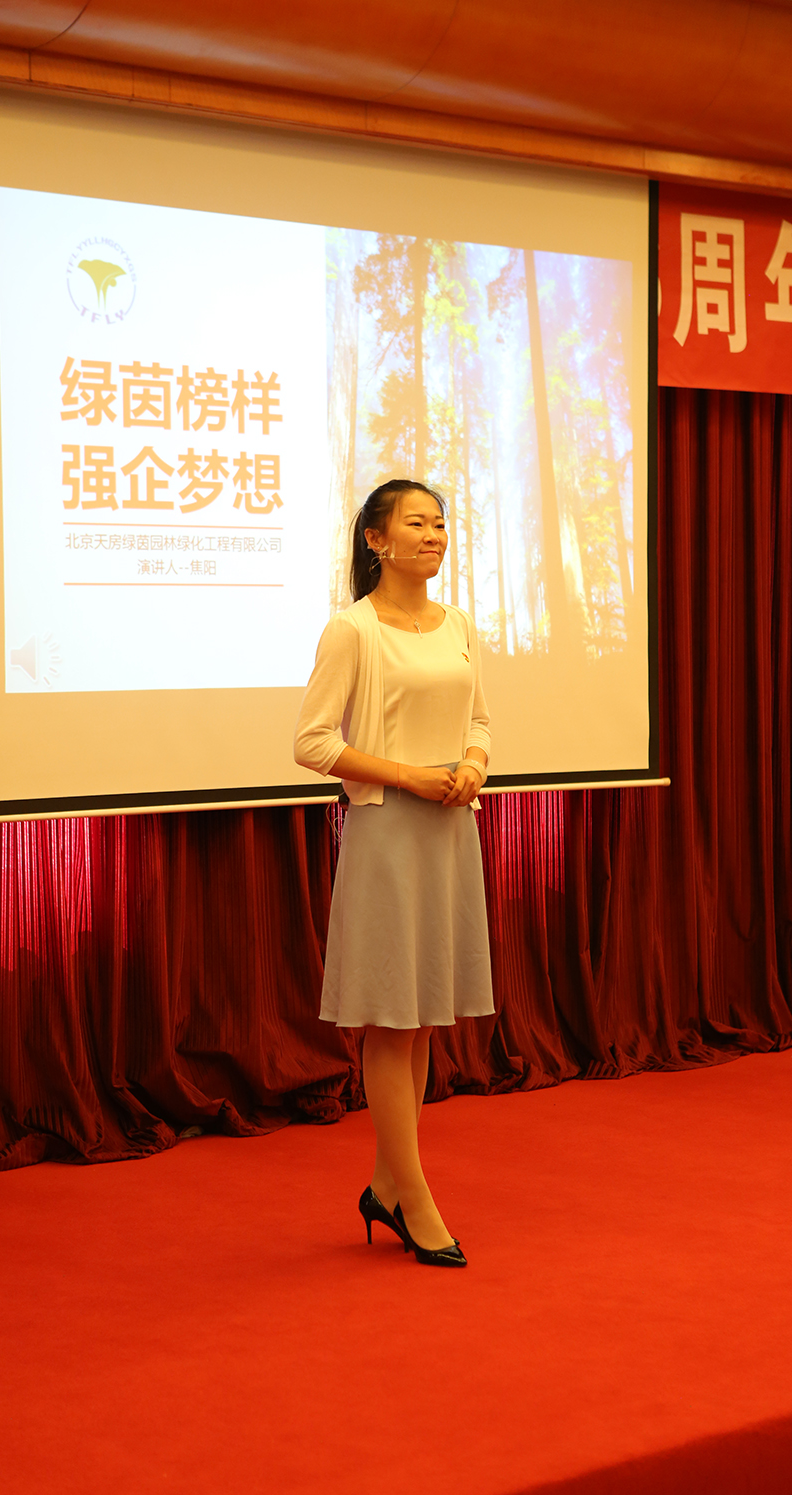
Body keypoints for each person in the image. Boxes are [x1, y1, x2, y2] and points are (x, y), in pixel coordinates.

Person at [294, 479, 494, 1268]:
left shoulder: (460, 625)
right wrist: (408, 775)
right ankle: (416, 1198)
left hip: (450, 827)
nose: (434, 534)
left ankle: (386, 1185)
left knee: (424, 1018)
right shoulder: (353, 630)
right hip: (387, 830)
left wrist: (473, 764)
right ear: (376, 540)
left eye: (440, 523)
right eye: (417, 523)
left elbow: (479, 720)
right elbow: (312, 743)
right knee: (391, 1018)